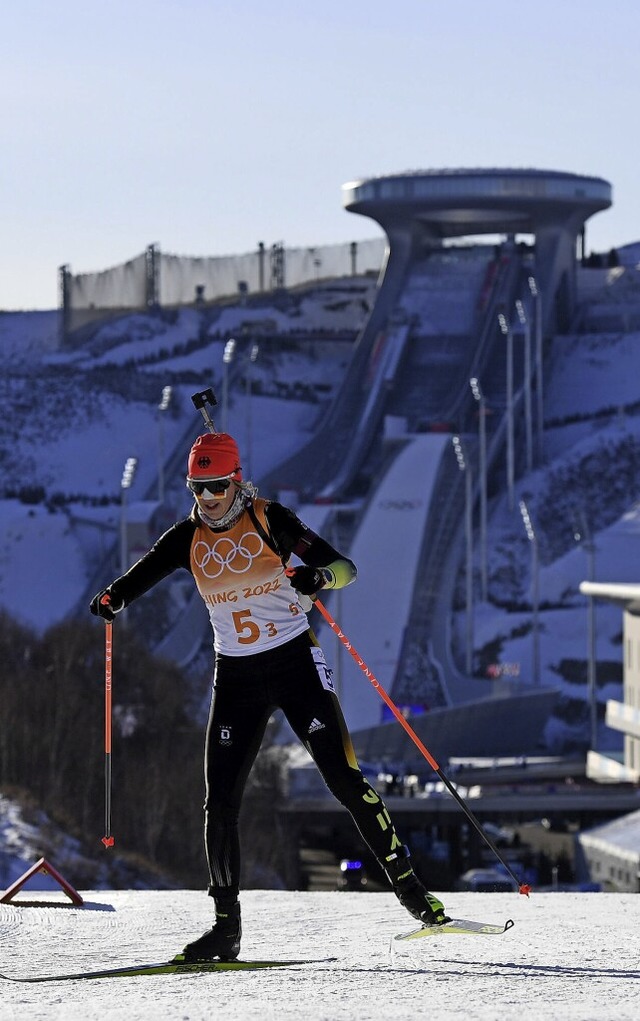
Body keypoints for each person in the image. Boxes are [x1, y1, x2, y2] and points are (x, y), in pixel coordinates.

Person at [90, 431, 448, 961]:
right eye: (197, 488)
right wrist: (113, 598)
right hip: (235, 677)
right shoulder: (186, 538)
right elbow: (138, 577)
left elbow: (346, 568)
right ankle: (225, 928)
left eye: (215, 486)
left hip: (294, 664)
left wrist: (318, 575)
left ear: (235, 479)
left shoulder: (269, 519)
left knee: (343, 780)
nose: (207, 499)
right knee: (220, 803)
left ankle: (414, 894)